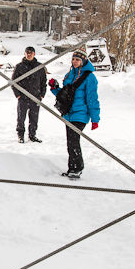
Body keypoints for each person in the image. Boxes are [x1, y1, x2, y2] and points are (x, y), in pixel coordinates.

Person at [49, 48, 100, 179]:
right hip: (69, 113)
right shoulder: (70, 74)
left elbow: (92, 99)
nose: (75, 62)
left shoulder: (89, 77)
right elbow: (65, 95)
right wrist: (54, 88)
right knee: (70, 142)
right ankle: (72, 168)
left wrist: (95, 119)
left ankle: (77, 168)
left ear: (83, 61)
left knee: (73, 141)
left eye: (78, 59)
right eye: (73, 59)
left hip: (80, 114)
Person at [11, 46, 47, 143]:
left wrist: (42, 95)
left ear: (34, 54)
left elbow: (43, 82)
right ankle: (20, 135)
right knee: (21, 118)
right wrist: (18, 95)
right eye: (27, 52)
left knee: (34, 118)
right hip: (23, 97)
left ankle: (32, 135)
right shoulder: (19, 66)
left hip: (35, 97)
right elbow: (13, 82)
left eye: (31, 53)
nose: (29, 54)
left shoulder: (39, 67)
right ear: (25, 54)